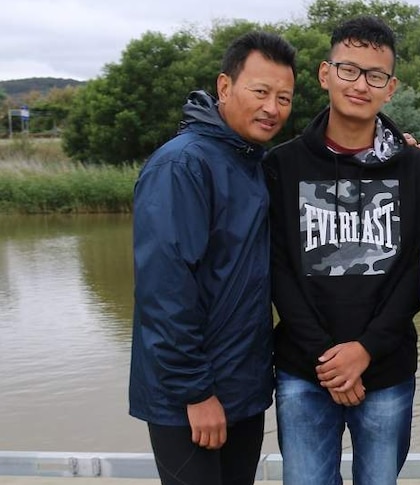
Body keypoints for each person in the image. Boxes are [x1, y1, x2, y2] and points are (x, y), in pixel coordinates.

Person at [262, 16, 420, 485]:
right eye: (348, 70)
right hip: (304, 369)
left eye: (375, 75)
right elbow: (278, 268)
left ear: (391, 87)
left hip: (386, 370)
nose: (360, 84)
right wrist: (327, 356)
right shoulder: (282, 164)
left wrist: (365, 349)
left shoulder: (417, 168)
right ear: (325, 74)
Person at [128, 31, 296, 485]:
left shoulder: (252, 163)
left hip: (241, 389)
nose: (272, 108)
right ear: (225, 87)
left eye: (284, 97)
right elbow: (165, 289)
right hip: (191, 399)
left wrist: (395, 147)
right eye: (260, 92)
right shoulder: (182, 165)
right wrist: (195, 392)